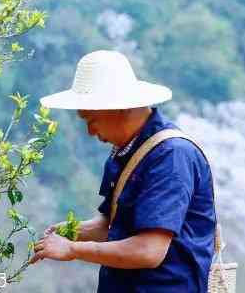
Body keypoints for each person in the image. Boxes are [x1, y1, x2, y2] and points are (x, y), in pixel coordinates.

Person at [30, 50, 216, 292]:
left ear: (117, 107)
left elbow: (149, 250)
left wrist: (72, 249)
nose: (90, 131)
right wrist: (70, 231)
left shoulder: (171, 156)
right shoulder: (126, 152)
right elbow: (113, 226)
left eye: (91, 119)